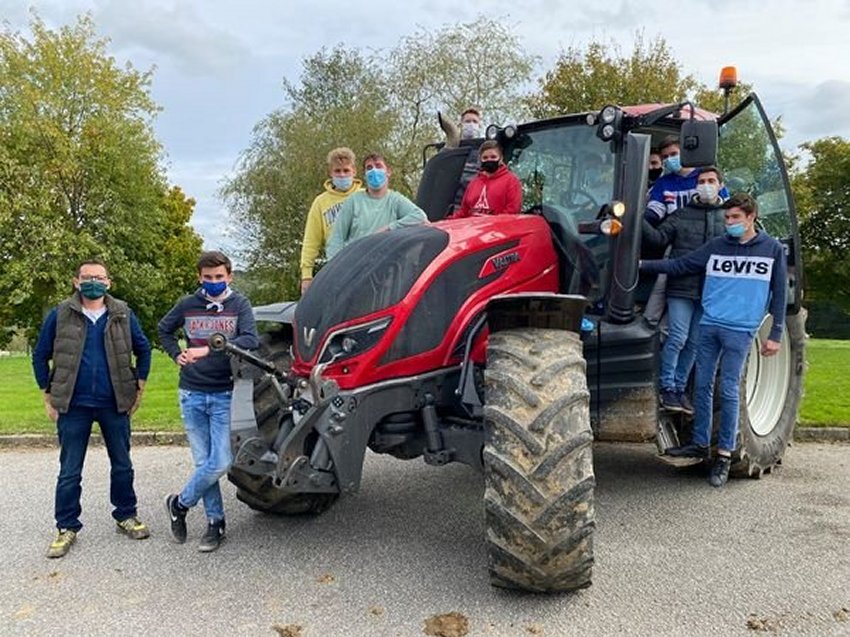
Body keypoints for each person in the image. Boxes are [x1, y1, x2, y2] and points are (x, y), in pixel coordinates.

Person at [640, 193, 786, 487]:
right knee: (703, 387)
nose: (729, 223)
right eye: (726, 218)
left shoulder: (771, 249)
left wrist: (776, 333)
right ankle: (699, 443)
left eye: (735, 218)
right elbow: (681, 265)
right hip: (709, 324)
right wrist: (643, 265)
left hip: (740, 329)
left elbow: (780, 292)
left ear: (751, 216)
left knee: (729, 389)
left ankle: (724, 455)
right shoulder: (717, 246)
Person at [32, 259, 152, 558]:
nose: (93, 282)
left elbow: (143, 348)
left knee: (122, 464)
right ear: (76, 282)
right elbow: (40, 355)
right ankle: (66, 526)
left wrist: (140, 386)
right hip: (74, 405)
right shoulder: (61, 313)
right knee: (70, 470)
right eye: (87, 277)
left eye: (99, 277)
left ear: (108, 283)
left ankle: (126, 515)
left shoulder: (122, 312)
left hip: (115, 402)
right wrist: (48, 395)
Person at [158, 251, 259, 551]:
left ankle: (179, 503)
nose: (213, 282)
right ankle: (216, 523)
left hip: (223, 392)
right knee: (204, 463)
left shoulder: (239, 305)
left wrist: (207, 350)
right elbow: (164, 329)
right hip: (191, 392)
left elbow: (250, 340)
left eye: (219, 277)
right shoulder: (187, 305)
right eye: (208, 277)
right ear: (199, 278)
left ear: (229, 276)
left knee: (221, 462)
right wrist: (175, 353)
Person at [641, 167, 727, 414]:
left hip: (711, 291)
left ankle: (679, 388)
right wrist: (638, 218)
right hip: (681, 286)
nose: (706, 185)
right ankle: (666, 387)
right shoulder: (681, 214)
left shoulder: (727, 217)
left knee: (695, 341)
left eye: (711, 181)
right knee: (677, 336)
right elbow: (658, 238)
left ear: (721, 185)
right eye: (701, 181)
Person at [326, 153, 427, 259]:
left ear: (388, 171)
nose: (374, 170)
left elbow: (419, 216)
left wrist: (389, 228)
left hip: (384, 265)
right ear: (365, 175)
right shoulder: (353, 201)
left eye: (378, 166)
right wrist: (334, 267)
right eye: (369, 168)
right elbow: (336, 239)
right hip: (356, 263)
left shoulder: (395, 200)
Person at [300, 147, 362, 295]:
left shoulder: (368, 197)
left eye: (346, 171)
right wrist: (306, 275)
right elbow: (311, 241)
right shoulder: (320, 202)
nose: (342, 175)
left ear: (354, 171)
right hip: (337, 269)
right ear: (331, 172)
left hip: (365, 267)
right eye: (338, 171)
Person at [645, 136, 728, 226]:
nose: (669, 159)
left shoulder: (707, 177)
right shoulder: (662, 183)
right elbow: (655, 211)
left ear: (685, 153)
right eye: (665, 157)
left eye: (673, 154)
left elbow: (727, 208)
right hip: (674, 233)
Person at [451, 140, 523, 218]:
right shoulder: (474, 183)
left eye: (493, 157)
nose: (489, 160)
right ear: (480, 159)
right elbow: (464, 211)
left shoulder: (511, 181)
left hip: (497, 228)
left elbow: (512, 212)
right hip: (473, 228)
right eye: (485, 158)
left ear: (501, 158)